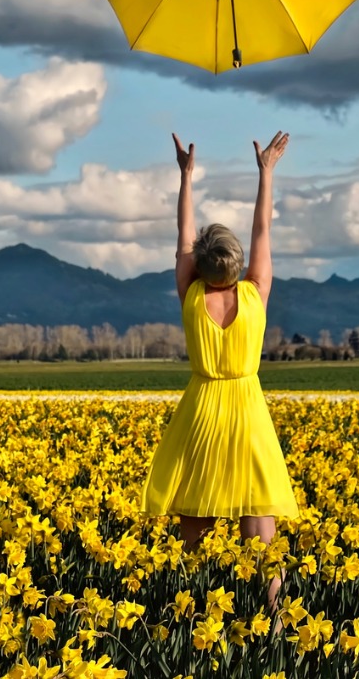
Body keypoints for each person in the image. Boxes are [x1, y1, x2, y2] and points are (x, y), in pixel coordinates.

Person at [142, 130, 299, 613]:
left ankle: (187, 618)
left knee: (193, 531)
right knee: (261, 532)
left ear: (199, 264)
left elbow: (182, 238)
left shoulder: (191, 294)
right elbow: (263, 232)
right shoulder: (255, 293)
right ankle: (274, 625)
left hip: (203, 412)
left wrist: (186, 177)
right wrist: (266, 172)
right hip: (248, 412)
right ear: (237, 266)